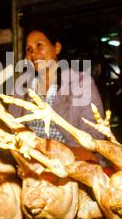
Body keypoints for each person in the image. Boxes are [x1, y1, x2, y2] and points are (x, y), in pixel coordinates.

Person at [8, 25, 108, 165]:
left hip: (74, 160)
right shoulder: (22, 86)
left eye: (39, 45)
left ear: (57, 48)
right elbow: (10, 126)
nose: (33, 53)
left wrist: (61, 155)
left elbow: (94, 133)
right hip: (33, 161)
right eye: (28, 48)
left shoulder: (79, 82)